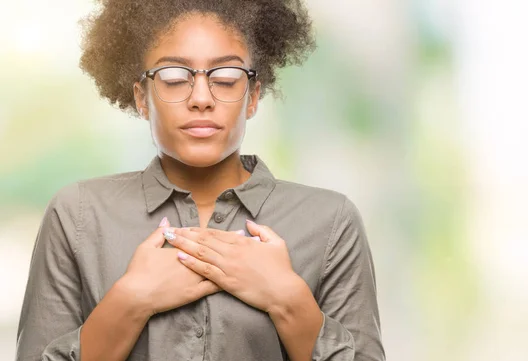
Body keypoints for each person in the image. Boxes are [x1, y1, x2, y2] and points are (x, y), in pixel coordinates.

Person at [15, 0, 385, 360]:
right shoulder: (77, 215)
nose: (202, 98)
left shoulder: (330, 221)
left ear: (253, 97)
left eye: (226, 79)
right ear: (142, 98)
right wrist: (130, 301)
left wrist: (287, 299)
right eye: (175, 78)